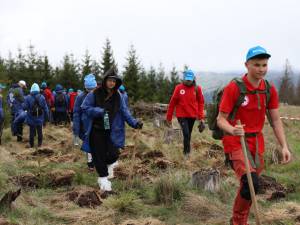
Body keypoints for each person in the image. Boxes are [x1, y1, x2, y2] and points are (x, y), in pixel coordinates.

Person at [217, 46, 292, 225]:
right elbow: (221, 120)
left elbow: (275, 120)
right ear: (247, 65)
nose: (261, 69)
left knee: (250, 187)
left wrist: (284, 146)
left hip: (257, 142)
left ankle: (238, 217)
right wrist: (233, 129)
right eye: (256, 65)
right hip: (235, 140)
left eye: (264, 65)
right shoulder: (234, 88)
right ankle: (238, 221)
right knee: (250, 183)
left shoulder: (269, 89)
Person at [81, 68, 143, 192]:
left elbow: (125, 112)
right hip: (96, 130)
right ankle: (103, 179)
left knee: (114, 154)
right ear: (105, 81)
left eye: (114, 81)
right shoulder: (94, 93)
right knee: (98, 155)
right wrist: (99, 111)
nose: (111, 83)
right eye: (109, 80)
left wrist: (134, 123)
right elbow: (85, 107)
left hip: (111, 131)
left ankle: (107, 168)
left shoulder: (118, 96)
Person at [166, 69, 205, 158]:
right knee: (186, 133)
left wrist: (201, 117)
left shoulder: (197, 89)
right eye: (187, 79)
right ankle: (186, 153)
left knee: (189, 134)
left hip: (192, 116)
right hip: (182, 115)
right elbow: (172, 103)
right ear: (183, 78)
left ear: (193, 79)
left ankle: (187, 151)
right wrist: (169, 117)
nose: (188, 81)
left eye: (190, 79)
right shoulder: (178, 88)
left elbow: (201, 102)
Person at [73, 74, 97, 171]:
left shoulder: (100, 95)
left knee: (99, 144)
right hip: (85, 126)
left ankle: (98, 162)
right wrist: (76, 128)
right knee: (88, 145)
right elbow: (76, 113)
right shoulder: (80, 97)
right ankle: (91, 164)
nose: (91, 92)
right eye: (88, 89)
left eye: (92, 89)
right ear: (85, 88)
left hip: (98, 124)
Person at [23, 83, 49, 148]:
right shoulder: (42, 97)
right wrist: (47, 118)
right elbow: (46, 109)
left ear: (31, 89)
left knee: (31, 132)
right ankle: (39, 145)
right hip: (40, 117)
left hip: (31, 117)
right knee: (40, 131)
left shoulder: (28, 97)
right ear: (38, 89)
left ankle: (31, 146)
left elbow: (24, 107)